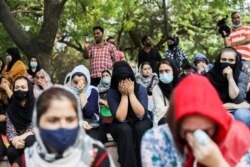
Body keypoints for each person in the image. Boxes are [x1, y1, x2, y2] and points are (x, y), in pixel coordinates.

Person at [141, 74, 250, 167]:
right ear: (176, 126)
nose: (196, 138)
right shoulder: (157, 140)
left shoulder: (238, 138)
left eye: (205, 131)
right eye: (188, 131)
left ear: (217, 123)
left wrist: (218, 163)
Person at [24, 86, 114, 167]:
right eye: (53, 120)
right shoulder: (26, 162)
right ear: (38, 123)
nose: (63, 126)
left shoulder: (97, 157)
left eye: (70, 119)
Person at [107, 61, 152, 167]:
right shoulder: (112, 93)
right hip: (120, 125)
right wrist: (124, 95)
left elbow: (141, 115)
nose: (125, 83)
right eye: (121, 81)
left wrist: (131, 94)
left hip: (140, 121)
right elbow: (121, 118)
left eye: (127, 80)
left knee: (141, 127)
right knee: (125, 130)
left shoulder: (140, 88)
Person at [206, 47, 250, 127]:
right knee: (228, 118)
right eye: (224, 59)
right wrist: (233, 106)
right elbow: (207, 102)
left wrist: (230, 78)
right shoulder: (209, 77)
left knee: (243, 115)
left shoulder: (242, 76)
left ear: (236, 62)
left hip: (237, 109)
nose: (227, 63)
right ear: (219, 60)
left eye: (231, 60)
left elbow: (238, 99)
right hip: (215, 110)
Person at [68, 65, 107, 143]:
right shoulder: (67, 93)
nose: (78, 86)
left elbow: (89, 114)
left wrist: (81, 93)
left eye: (82, 82)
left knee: (90, 139)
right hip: (75, 126)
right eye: (75, 82)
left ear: (87, 82)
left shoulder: (92, 91)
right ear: (71, 81)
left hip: (92, 127)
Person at [6, 76, 36, 167]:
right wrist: (14, 141)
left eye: (23, 87)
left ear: (29, 89)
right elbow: (10, 131)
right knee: (11, 150)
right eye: (17, 88)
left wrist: (23, 136)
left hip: (37, 139)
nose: (20, 90)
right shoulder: (10, 109)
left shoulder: (38, 105)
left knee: (30, 139)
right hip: (18, 140)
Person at [152, 58, 180, 126]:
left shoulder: (182, 85)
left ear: (174, 71)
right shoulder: (156, 88)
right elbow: (160, 112)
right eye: (161, 71)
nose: (164, 74)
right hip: (165, 121)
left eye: (167, 71)